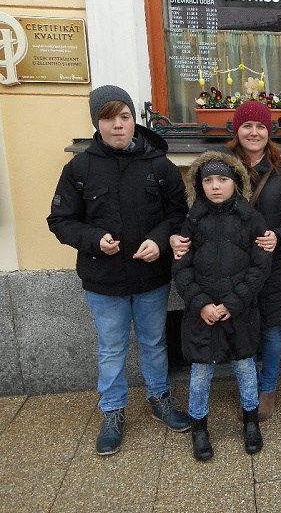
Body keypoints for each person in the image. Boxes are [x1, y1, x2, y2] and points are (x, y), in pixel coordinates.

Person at [47, 85, 191, 456]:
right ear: (97, 123)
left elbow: (179, 214)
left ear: (133, 120)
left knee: (154, 342)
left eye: (124, 116)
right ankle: (112, 410)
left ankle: (160, 398)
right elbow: (60, 220)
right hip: (103, 280)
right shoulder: (79, 168)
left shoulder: (159, 165)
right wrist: (94, 240)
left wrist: (160, 240)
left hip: (150, 278)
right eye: (108, 118)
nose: (117, 125)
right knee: (112, 348)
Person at [171, 100, 281, 422]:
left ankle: (266, 388)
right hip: (228, 268)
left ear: (269, 131)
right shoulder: (219, 165)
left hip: (273, 265)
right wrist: (176, 238)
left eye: (260, 126)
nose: (254, 132)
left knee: (272, 331)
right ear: (236, 130)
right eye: (247, 126)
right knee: (240, 327)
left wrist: (279, 236)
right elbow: (194, 210)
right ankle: (247, 387)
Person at [172, 151, 271, 460]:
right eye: (209, 180)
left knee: (245, 368)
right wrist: (201, 304)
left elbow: (260, 266)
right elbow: (181, 268)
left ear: (236, 182)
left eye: (223, 179)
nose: (215, 186)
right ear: (200, 185)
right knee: (201, 374)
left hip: (239, 312)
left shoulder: (251, 219)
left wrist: (233, 302)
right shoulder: (192, 220)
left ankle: (251, 422)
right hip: (202, 315)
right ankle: (199, 427)